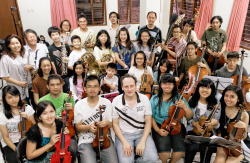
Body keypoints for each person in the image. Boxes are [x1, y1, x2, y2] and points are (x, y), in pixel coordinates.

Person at [112, 74, 159, 163]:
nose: (129, 89)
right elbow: (115, 124)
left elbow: (148, 122)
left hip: (141, 133)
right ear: (122, 87)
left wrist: (142, 142)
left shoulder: (144, 99)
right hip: (124, 134)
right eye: (126, 86)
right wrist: (124, 142)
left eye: (131, 86)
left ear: (136, 86)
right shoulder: (116, 101)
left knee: (152, 159)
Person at [74, 75, 118, 163]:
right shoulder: (79, 105)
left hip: (104, 139)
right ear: (85, 88)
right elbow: (78, 127)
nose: (92, 89)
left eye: (95, 86)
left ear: (99, 88)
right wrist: (88, 127)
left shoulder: (107, 102)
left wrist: (106, 122)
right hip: (86, 140)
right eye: (89, 86)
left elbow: (110, 124)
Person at [150, 74, 193, 163]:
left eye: (170, 84)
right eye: (164, 83)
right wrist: (158, 130)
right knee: (164, 154)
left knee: (180, 152)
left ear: (174, 85)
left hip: (177, 125)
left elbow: (189, 116)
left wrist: (185, 107)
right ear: (160, 85)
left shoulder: (179, 98)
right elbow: (151, 117)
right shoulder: (154, 99)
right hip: (160, 125)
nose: (167, 86)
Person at [185, 78, 220, 163]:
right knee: (190, 149)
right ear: (198, 88)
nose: (205, 90)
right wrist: (195, 124)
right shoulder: (192, 99)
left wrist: (214, 123)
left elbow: (217, 123)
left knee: (206, 150)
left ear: (212, 90)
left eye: (208, 88)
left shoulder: (216, 103)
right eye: (202, 87)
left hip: (208, 132)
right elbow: (188, 119)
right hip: (193, 130)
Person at [0, 85, 35, 163]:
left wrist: (28, 117)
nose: (14, 99)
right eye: (10, 97)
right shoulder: (2, 115)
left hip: (27, 140)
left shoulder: (27, 108)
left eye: (16, 96)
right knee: (15, 160)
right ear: (4, 99)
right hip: (11, 143)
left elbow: (35, 126)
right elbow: (5, 137)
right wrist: (18, 149)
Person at [214, 85, 249, 163]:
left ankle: (241, 157)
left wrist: (244, 128)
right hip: (222, 141)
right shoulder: (219, 107)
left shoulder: (244, 114)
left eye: (232, 97)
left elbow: (244, 136)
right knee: (219, 161)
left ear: (238, 99)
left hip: (236, 144)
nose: (228, 99)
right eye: (226, 95)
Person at [0, 34, 33, 100]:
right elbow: (3, 76)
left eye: (17, 43)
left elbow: (32, 66)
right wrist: (19, 83)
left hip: (28, 86)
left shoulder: (26, 53)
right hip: (15, 88)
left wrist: (29, 67)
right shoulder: (5, 58)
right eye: (12, 44)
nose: (16, 45)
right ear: (8, 45)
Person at [47, 26, 71, 92]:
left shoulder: (66, 46)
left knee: (67, 90)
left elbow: (69, 57)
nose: (55, 36)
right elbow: (51, 62)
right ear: (50, 37)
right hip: (57, 74)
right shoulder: (50, 48)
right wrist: (56, 74)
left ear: (60, 34)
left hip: (67, 73)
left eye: (57, 34)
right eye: (53, 35)